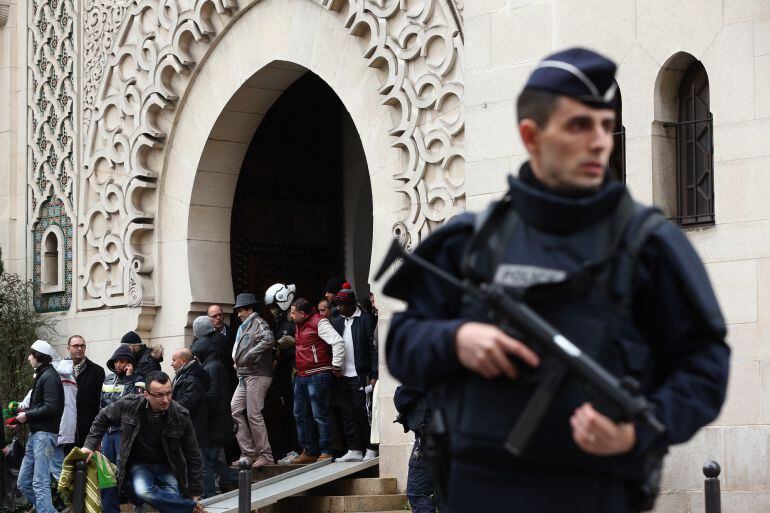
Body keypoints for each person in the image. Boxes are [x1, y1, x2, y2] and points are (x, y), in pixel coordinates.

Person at [384, 47, 731, 513]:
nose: (599, 142)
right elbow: (402, 344)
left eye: (606, 126)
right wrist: (456, 339)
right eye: (577, 125)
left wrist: (637, 431)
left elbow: (705, 367)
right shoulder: (469, 242)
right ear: (532, 136)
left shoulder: (650, 247)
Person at [81, 371, 204, 513]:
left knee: (172, 498)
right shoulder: (130, 404)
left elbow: (193, 454)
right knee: (144, 491)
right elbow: (102, 418)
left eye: (169, 393)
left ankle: (184, 506)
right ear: (146, 394)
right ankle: (188, 507)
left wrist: (195, 490)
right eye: (159, 395)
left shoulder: (180, 414)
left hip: (168, 465)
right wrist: (89, 446)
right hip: (139, 464)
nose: (165, 399)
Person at [289, 298, 345, 464]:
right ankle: (310, 450)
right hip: (302, 375)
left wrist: (336, 365)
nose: (290, 316)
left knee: (319, 414)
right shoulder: (299, 325)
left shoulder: (319, 323)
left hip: (318, 374)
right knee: (300, 414)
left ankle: (326, 450)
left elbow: (338, 342)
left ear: (302, 313)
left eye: (293, 313)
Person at [190, 317, 239, 498]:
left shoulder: (212, 368)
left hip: (212, 425)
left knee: (205, 462)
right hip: (215, 424)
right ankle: (241, 478)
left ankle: (209, 497)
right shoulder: (214, 365)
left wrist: (201, 414)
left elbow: (211, 397)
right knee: (211, 461)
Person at [14, 340, 64, 513]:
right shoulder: (44, 374)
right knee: (24, 482)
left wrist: (27, 415)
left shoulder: (49, 376)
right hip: (36, 435)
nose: (28, 358)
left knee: (40, 482)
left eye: (30, 354)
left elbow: (51, 407)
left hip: (44, 436)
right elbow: (43, 406)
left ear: (38, 356)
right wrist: (22, 417)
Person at [330, 283, 378, 462]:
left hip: (361, 374)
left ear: (351, 305)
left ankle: (370, 447)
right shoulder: (338, 321)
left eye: (342, 305)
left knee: (363, 412)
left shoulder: (365, 320)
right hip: (343, 375)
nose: (339, 308)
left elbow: (373, 350)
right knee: (347, 412)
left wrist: (374, 375)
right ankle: (354, 448)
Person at [230, 292, 275, 469]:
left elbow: (269, 340)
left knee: (253, 414)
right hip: (245, 374)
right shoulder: (246, 326)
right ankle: (249, 453)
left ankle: (265, 454)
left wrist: (248, 356)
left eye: (241, 310)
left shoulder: (258, 323)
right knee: (235, 410)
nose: (238, 314)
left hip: (256, 373)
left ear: (249, 309)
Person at [99, 344, 140, 513]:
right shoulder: (108, 379)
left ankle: (140, 501)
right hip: (108, 433)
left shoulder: (138, 379)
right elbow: (101, 406)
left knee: (124, 476)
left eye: (123, 361)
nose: (118, 365)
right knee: (106, 477)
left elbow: (131, 403)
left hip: (124, 433)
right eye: (116, 361)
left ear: (130, 363)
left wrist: (129, 379)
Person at [264, 283, 301, 463]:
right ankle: (288, 448)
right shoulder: (279, 324)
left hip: (292, 375)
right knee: (286, 413)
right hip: (282, 377)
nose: (272, 311)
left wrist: (281, 350)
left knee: (295, 413)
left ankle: (297, 448)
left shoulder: (291, 324)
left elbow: (296, 350)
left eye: (274, 306)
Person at [66, 335, 105, 448]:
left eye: (82, 346)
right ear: (68, 348)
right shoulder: (60, 370)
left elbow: (100, 402)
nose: (79, 348)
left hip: (87, 427)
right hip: (65, 427)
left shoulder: (97, 371)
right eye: (75, 346)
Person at [170, 348, 209, 447]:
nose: (171, 364)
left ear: (183, 361)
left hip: (192, 430)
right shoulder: (183, 375)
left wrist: (167, 407)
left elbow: (185, 405)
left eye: (174, 360)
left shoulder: (191, 379)